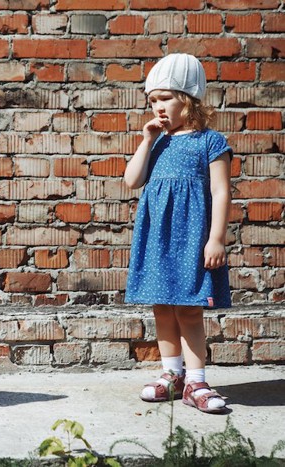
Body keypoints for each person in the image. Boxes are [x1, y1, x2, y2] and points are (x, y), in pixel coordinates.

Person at [124, 53, 232, 414]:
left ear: (190, 99)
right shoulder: (158, 141)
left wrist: (216, 238)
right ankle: (171, 375)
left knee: (188, 309)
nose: (158, 107)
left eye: (166, 98)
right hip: (158, 238)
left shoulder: (210, 141)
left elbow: (220, 191)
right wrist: (146, 140)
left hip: (192, 238)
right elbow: (132, 180)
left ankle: (196, 380)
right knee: (161, 306)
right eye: (152, 100)